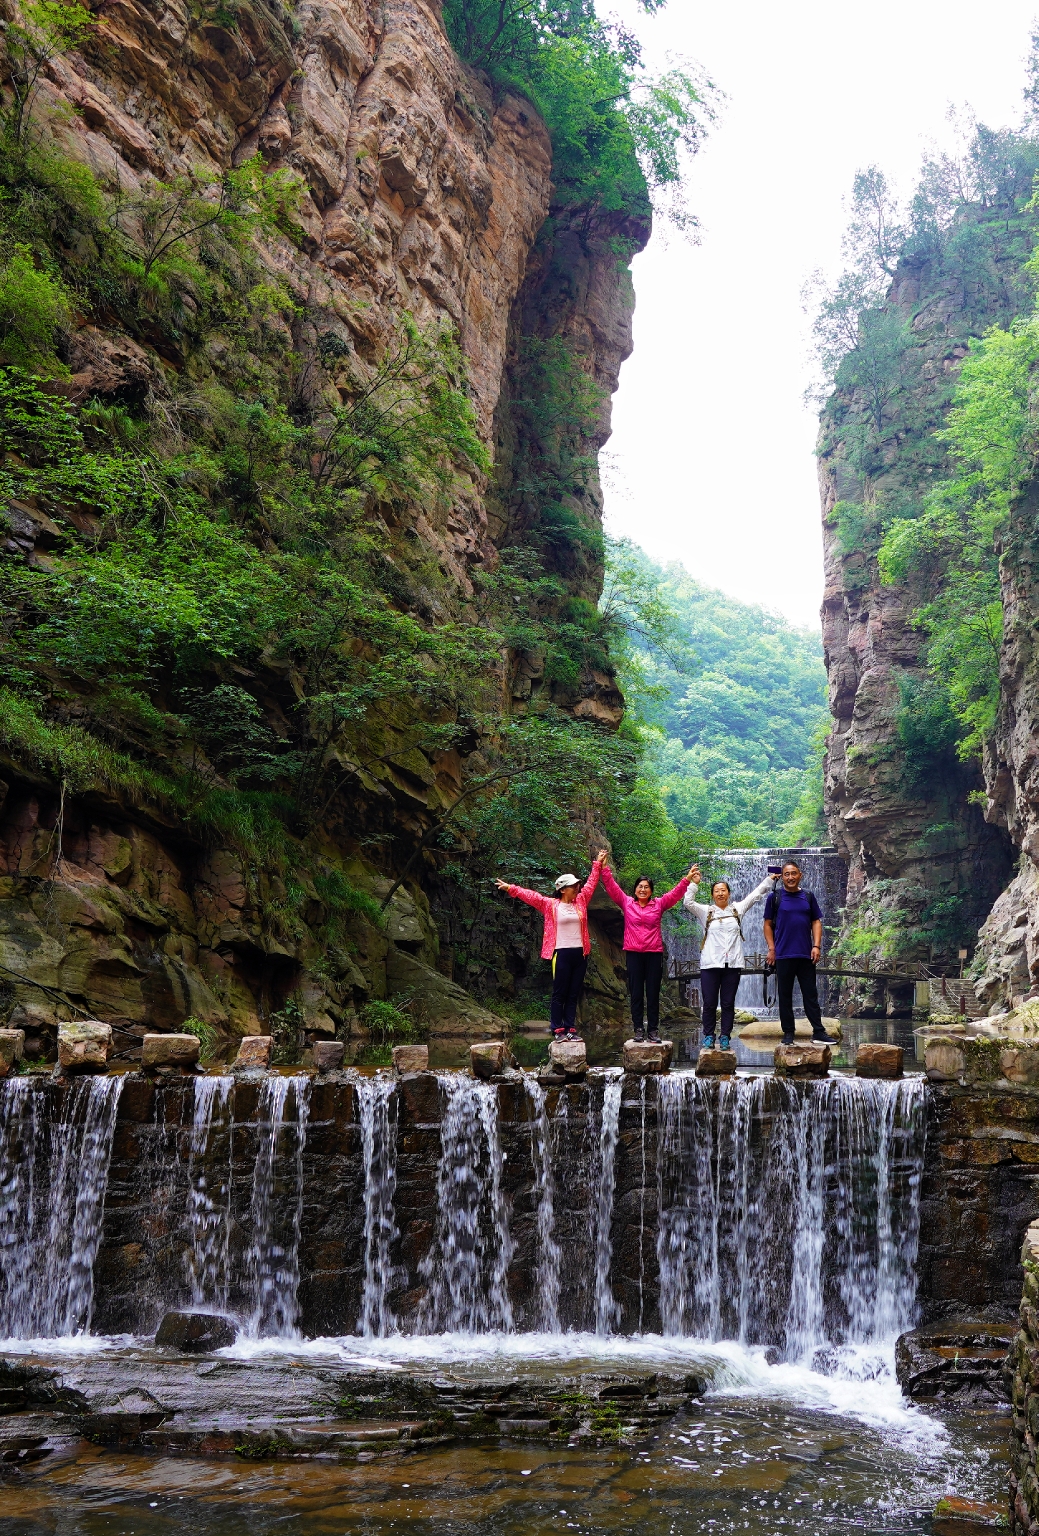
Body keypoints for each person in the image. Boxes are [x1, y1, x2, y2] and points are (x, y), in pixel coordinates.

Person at [495, 854, 605, 1041]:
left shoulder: (582, 901)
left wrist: (598, 864)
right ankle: (558, 1030)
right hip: (561, 953)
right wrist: (511, 888)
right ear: (563, 890)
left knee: (573, 992)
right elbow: (532, 896)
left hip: (580, 953)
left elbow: (592, 883)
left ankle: (570, 1029)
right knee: (560, 992)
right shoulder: (550, 905)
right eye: (573, 886)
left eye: (577, 885)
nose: (578, 887)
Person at [599, 851, 697, 1043]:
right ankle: (637, 1029)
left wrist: (687, 879)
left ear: (651, 891)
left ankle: (652, 1031)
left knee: (652, 993)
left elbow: (675, 894)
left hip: (653, 954)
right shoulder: (627, 903)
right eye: (640, 886)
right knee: (636, 993)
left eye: (646, 887)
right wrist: (603, 868)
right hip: (634, 954)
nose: (643, 889)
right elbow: (612, 887)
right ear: (635, 890)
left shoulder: (659, 905)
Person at [683, 867, 773, 1051]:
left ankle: (725, 1036)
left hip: (732, 964)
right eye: (717, 891)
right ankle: (708, 1036)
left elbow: (755, 895)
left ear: (729, 893)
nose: (720, 893)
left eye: (723, 890)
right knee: (709, 1003)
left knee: (728, 1003)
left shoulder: (737, 909)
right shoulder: (706, 912)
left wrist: (770, 880)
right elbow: (688, 902)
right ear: (712, 895)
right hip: (710, 964)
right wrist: (693, 884)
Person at [762, 859, 836, 1047]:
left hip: (805, 954)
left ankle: (818, 1031)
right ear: (782, 876)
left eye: (793, 873)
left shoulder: (809, 897)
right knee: (784, 995)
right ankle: (788, 1033)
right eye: (786, 874)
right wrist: (771, 949)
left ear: (800, 875)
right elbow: (767, 925)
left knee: (810, 994)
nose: (790, 877)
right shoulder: (775, 897)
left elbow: (816, 922)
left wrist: (816, 946)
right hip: (783, 954)